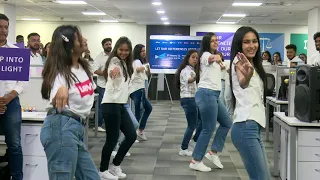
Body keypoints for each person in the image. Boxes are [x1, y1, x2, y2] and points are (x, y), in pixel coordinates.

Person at [40, 25, 100, 180]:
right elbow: (55, 92)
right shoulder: (59, 72)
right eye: (79, 38)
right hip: (61, 128)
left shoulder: (83, 66)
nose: (85, 39)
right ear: (70, 46)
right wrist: (60, 91)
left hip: (75, 129)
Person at [230, 26, 270, 180]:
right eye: (246, 42)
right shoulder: (239, 62)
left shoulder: (253, 64)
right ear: (239, 45)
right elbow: (243, 82)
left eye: (254, 41)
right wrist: (247, 77)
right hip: (245, 127)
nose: (251, 45)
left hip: (253, 127)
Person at [189, 32, 232, 172]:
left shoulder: (216, 60)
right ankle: (196, 160)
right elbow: (212, 58)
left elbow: (223, 66)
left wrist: (223, 64)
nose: (215, 42)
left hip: (214, 95)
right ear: (207, 43)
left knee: (227, 122)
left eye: (216, 40)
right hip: (206, 93)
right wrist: (218, 58)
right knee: (208, 128)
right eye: (212, 41)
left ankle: (213, 152)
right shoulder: (205, 55)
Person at [99, 37, 137, 179]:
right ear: (116, 49)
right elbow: (112, 69)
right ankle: (103, 170)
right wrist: (113, 72)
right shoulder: (115, 61)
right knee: (112, 139)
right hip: (110, 104)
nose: (123, 52)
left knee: (131, 135)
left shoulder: (125, 63)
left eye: (126, 50)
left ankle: (115, 165)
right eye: (121, 49)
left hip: (120, 104)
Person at [0, 13, 24, 180]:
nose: (3, 30)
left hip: (12, 101)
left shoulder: (17, 52)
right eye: (0, 27)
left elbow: (23, 80)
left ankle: (17, 177)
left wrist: (9, 96)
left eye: (6, 27)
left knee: (14, 144)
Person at [174, 49, 200, 156]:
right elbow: (189, 80)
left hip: (192, 99)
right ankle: (184, 148)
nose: (195, 60)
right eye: (193, 57)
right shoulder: (186, 70)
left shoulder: (192, 69)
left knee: (201, 121)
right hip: (189, 99)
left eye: (197, 58)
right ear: (188, 58)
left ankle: (193, 140)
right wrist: (196, 76)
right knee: (192, 125)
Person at [130, 44, 153, 141]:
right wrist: (145, 66)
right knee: (138, 111)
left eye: (145, 50)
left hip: (140, 88)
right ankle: (133, 134)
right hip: (136, 89)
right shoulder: (136, 61)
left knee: (148, 108)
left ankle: (140, 130)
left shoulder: (140, 61)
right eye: (142, 51)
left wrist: (146, 67)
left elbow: (146, 74)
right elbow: (138, 69)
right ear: (138, 52)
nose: (144, 53)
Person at [93, 38, 112, 132]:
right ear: (103, 46)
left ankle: (110, 124)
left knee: (111, 106)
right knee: (101, 106)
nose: (109, 46)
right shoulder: (99, 57)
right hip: (103, 85)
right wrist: (106, 74)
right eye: (107, 44)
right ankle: (98, 125)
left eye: (110, 44)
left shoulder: (114, 55)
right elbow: (95, 70)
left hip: (113, 85)